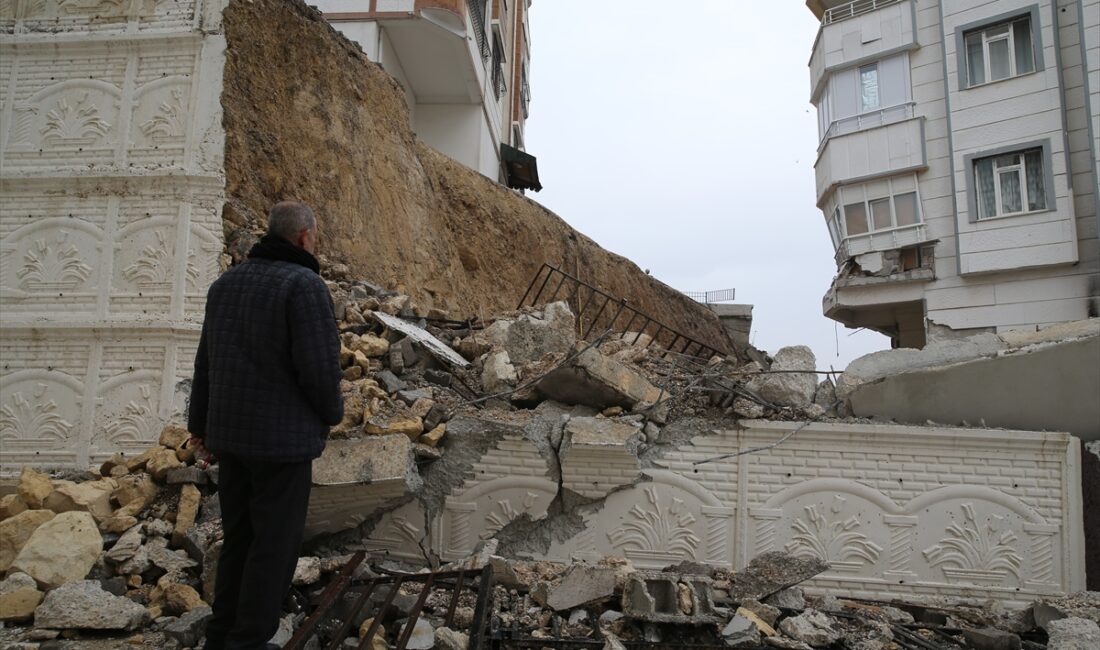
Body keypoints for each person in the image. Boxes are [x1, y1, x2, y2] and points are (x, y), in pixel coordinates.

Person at [188, 201, 343, 650]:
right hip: (282, 445)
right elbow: (317, 368)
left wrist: (200, 423)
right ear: (303, 237)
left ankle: (222, 635)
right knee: (274, 547)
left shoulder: (225, 284)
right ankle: (250, 640)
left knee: (240, 538)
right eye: (314, 233)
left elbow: (206, 362)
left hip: (231, 438)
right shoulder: (304, 285)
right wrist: (332, 413)